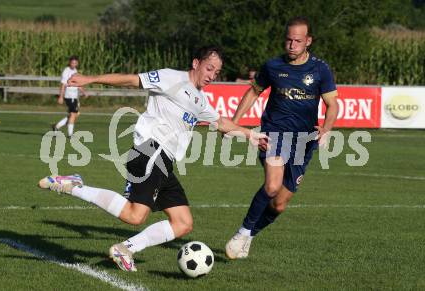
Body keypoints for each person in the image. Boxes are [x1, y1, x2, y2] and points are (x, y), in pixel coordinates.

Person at [38, 46, 267, 272]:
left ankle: (125, 248)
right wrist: (90, 79)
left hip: (165, 161)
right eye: (209, 69)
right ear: (196, 63)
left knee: (183, 223)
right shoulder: (170, 78)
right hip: (150, 151)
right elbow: (130, 80)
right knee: (135, 215)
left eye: (216, 73)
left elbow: (222, 124)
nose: (211, 75)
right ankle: (75, 186)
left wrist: (250, 135)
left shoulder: (200, 100)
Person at [225, 16, 339, 259]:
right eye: (288, 39)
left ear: (308, 41)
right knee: (272, 186)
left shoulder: (320, 69)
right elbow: (253, 92)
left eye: (297, 40)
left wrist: (326, 128)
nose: (291, 45)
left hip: (304, 142)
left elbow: (332, 104)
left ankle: (250, 236)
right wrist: (234, 123)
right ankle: (242, 232)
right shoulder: (273, 66)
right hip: (274, 134)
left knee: (279, 204)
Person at [52, 55, 87, 137]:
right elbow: (63, 85)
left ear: (77, 63)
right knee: (73, 114)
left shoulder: (75, 71)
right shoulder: (66, 71)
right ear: (69, 63)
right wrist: (61, 96)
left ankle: (56, 126)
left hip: (75, 96)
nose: (73, 64)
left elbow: (77, 84)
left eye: (75, 63)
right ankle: (70, 134)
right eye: (72, 63)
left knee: (75, 114)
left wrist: (83, 92)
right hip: (69, 96)